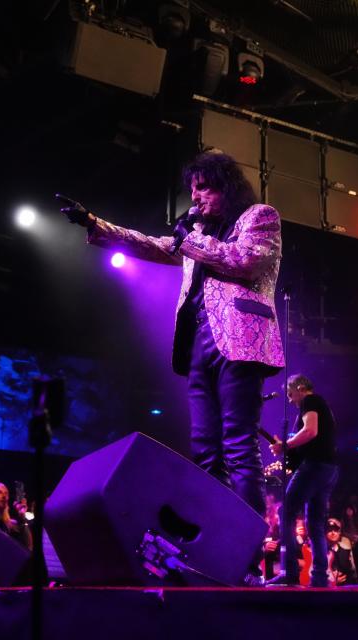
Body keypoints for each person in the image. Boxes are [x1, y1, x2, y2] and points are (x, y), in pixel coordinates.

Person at [62, 150, 284, 517]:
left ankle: (248, 553)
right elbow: (152, 244)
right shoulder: (195, 236)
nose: (195, 197)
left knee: (240, 445)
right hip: (198, 343)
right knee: (204, 448)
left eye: (203, 189)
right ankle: (219, 544)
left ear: (225, 188)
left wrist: (189, 239)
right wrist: (93, 223)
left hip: (240, 341)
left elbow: (246, 261)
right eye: (192, 190)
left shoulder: (260, 217)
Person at [267, 374, 338, 587]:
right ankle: (319, 578)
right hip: (329, 468)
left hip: (316, 466)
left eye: (290, 394)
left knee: (285, 512)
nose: (290, 400)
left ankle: (289, 573)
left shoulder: (311, 400)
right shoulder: (317, 406)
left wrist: (285, 445)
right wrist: (286, 447)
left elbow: (310, 431)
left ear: (299, 387)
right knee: (315, 523)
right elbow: (307, 442)